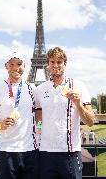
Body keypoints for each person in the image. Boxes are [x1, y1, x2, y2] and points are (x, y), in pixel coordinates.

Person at [35, 47, 95, 179]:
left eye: (59, 62)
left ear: (65, 64)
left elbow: (90, 121)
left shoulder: (78, 86)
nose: (56, 65)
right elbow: (38, 120)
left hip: (70, 153)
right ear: (47, 65)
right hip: (45, 152)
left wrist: (78, 103)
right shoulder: (39, 90)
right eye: (52, 62)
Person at [0, 52, 39, 179]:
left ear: (25, 65)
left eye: (19, 64)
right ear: (6, 66)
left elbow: (41, 112)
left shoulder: (32, 89)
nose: (15, 68)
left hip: (30, 151)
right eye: (11, 64)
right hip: (6, 151)